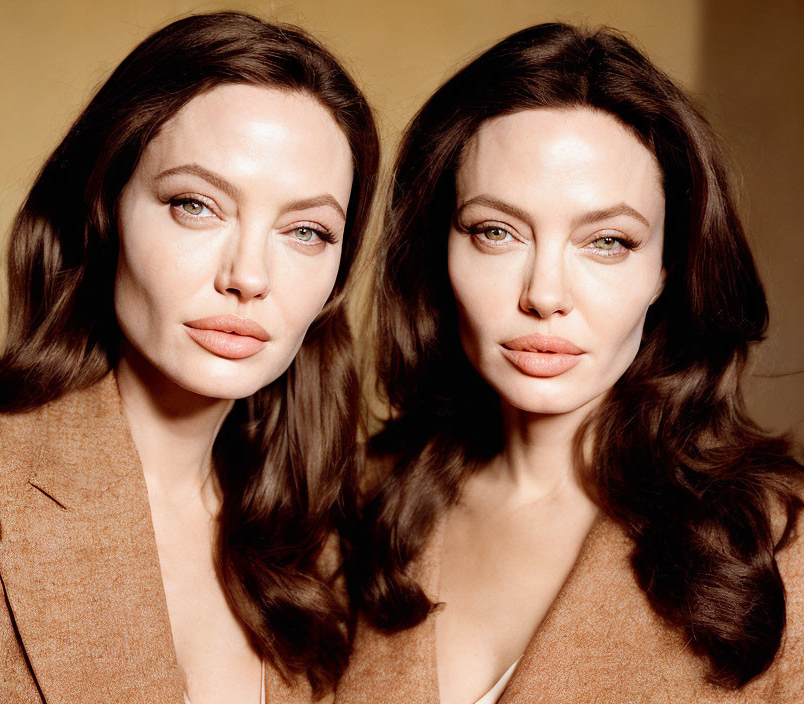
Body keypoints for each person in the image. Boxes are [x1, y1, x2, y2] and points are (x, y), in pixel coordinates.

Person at [0, 12, 378, 704]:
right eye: (196, 204)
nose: (248, 275)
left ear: (336, 278)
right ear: (106, 209)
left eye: (306, 231)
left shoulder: (323, 545)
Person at [336, 23, 803, 704]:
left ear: (668, 268)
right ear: (438, 251)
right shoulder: (350, 511)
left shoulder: (777, 546)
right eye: (496, 231)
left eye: (607, 242)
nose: (545, 294)